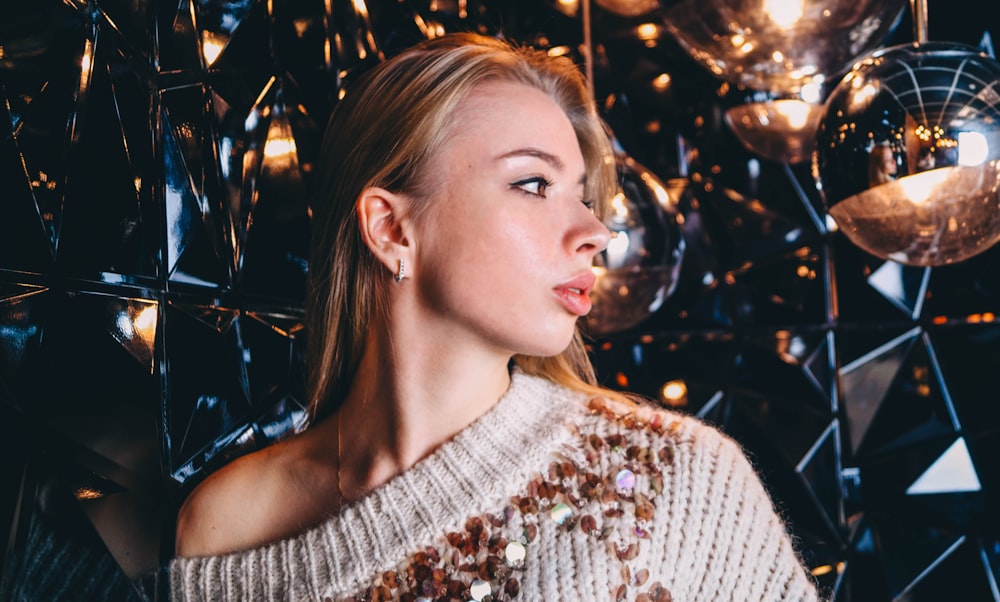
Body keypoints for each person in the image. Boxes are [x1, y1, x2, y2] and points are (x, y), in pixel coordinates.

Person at [170, 32, 820, 601]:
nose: (595, 232)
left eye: (584, 197)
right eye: (534, 184)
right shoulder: (226, 526)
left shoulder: (669, 478)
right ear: (391, 228)